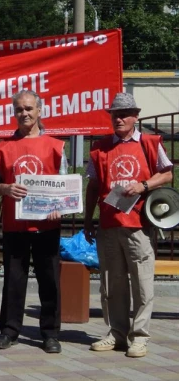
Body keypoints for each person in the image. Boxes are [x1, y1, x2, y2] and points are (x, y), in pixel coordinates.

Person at [84, 92, 173, 358]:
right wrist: (89, 220)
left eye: (124, 114)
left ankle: (140, 337)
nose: (119, 118)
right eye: (115, 114)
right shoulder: (99, 148)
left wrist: (144, 185)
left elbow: (167, 174)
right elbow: (93, 186)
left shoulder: (149, 142)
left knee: (142, 284)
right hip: (109, 224)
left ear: (136, 117)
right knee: (112, 284)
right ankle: (116, 334)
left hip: (139, 225)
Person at [0, 90, 67, 354]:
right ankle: (9, 331)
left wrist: (60, 208)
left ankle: (50, 333)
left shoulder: (56, 146)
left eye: (29, 108)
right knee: (13, 279)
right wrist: (6, 189)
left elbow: (65, 186)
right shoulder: (3, 147)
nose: (25, 113)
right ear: (14, 112)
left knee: (50, 279)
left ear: (40, 111)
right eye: (20, 109)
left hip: (47, 224)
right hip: (15, 224)